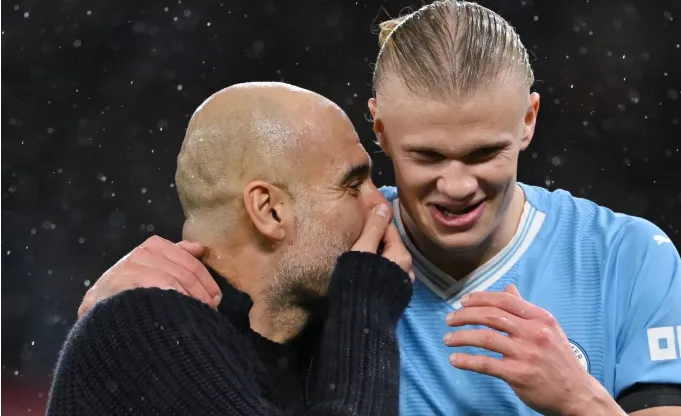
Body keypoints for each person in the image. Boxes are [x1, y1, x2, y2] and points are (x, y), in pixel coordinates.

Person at [77, 1, 681, 415]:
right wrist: (113, 310)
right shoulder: (333, 257)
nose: (458, 185)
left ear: (528, 120)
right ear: (379, 132)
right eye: (429, 156)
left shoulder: (627, 257)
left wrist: (578, 399)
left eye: (485, 152)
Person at [47, 82, 415, 415]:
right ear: (269, 211)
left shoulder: (310, 349)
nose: (380, 204)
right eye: (352, 185)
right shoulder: (143, 326)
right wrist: (367, 307)